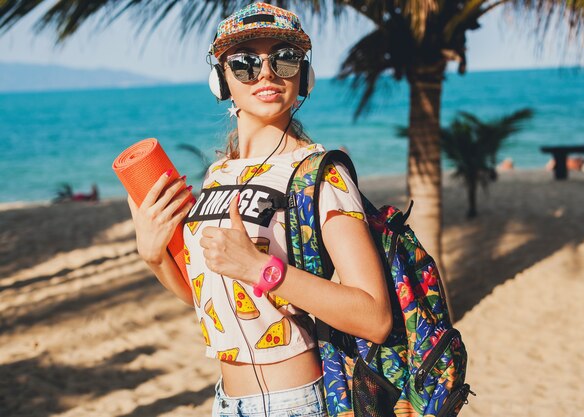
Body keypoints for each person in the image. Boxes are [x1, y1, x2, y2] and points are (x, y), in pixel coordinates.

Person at [126, 3, 391, 417]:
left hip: (293, 402)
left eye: (284, 58)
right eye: (245, 62)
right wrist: (154, 257)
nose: (266, 73)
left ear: (303, 75)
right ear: (221, 79)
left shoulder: (320, 173)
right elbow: (211, 302)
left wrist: (261, 269)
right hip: (226, 402)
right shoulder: (218, 175)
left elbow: (374, 316)